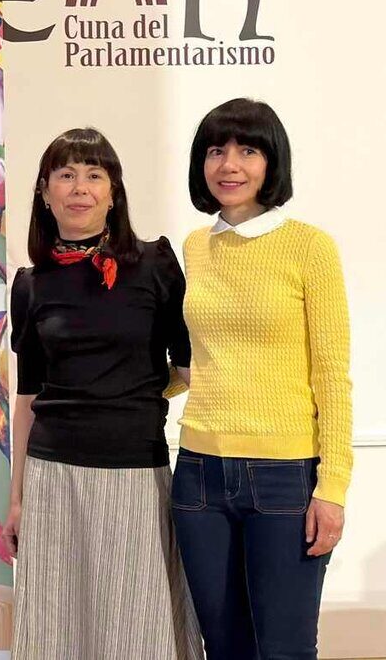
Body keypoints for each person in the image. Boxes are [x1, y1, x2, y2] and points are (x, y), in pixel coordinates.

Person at [5, 128, 201, 659]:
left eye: (95, 175)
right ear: (44, 191)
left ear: (113, 192)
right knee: (57, 629)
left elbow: (190, 370)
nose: (80, 188)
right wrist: (17, 497)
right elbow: (28, 398)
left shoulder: (155, 263)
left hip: (136, 472)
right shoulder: (31, 284)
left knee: (136, 628)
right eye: (66, 175)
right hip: (52, 477)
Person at [173, 98, 352, 659]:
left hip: (285, 477)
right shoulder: (195, 247)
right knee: (224, 648)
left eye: (248, 150)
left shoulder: (310, 246)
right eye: (216, 150)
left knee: (285, 650)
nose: (230, 164)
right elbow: (194, 363)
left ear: (272, 162)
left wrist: (333, 487)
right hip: (198, 475)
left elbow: (332, 374)